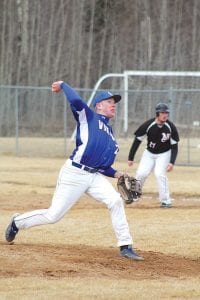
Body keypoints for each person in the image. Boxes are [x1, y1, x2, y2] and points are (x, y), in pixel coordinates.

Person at [5, 81, 144, 261]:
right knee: (53, 215)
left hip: (94, 176)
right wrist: (63, 85)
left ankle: (126, 246)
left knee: (115, 201)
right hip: (74, 173)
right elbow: (76, 101)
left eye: (114, 102)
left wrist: (118, 174)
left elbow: (103, 166)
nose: (113, 105)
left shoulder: (110, 135)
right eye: (110, 102)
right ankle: (17, 222)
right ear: (99, 105)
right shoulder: (88, 117)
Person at [128, 102, 179, 208]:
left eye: (166, 113)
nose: (165, 115)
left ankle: (165, 201)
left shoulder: (170, 127)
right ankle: (134, 195)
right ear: (157, 113)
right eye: (162, 112)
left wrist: (171, 162)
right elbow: (137, 140)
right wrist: (131, 157)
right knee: (141, 173)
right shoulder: (148, 125)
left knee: (160, 174)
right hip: (149, 153)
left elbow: (174, 146)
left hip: (164, 153)